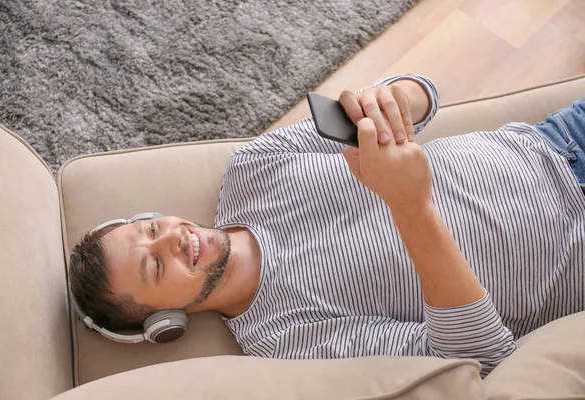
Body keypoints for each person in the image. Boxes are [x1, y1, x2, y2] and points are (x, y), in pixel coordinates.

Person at [69, 73, 585, 378]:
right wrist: (412, 209)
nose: (174, 237)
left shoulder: (255, 166)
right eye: (155, 264)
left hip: (557, 140)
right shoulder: (287, 343)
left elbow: (422, 97)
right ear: (168, 322)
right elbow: (479, 357)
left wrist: (399, 97)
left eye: (152, 227)